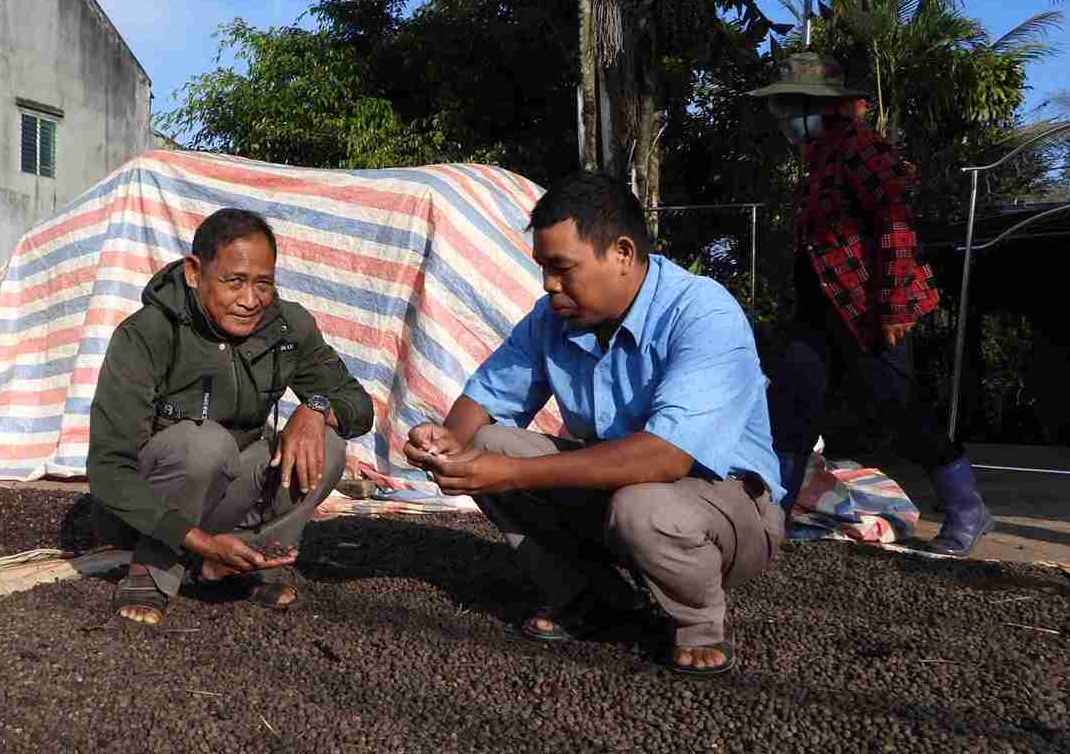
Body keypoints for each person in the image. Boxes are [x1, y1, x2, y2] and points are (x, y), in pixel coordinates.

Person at [405, 172, 784, 676]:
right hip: (621, 496)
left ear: (622, 253)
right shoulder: (552, 319)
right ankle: (591, 598)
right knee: (487, 442)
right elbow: (487, 398)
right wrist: (445, 441)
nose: (548, 285)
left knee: (641, 506)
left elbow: (666, 456)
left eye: (562, 268)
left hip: (725, 510)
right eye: (542, 268)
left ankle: (698, 623)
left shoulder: (703, 313)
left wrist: (507, 473)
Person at [748, 52, 993, 557]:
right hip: (819, 311)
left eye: (792, 107)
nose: (784, 120)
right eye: (781, 109)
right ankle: (770, 520)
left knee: (897, 406)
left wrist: (895, 308)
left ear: (824, 107)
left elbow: (895, 229)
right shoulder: (818, 158)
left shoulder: (862, 150)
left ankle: (967, 507)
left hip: (868, 310)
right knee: (791, 409)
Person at [88, 208, 374, 625]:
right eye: (234, 281)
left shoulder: (287, 326)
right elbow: (109, 470)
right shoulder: (147, 333)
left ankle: (247, 559)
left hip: (227, 494)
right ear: (193, 272)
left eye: (263, 284)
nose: (250, 300)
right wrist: (200, 541)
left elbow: (358, 405)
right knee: (205, 445)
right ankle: (152, 571)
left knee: (328, 446)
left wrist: (315, 409)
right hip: (144, 512)